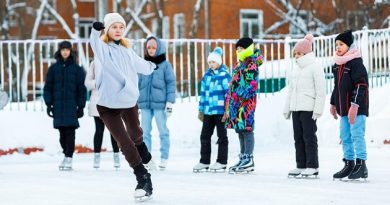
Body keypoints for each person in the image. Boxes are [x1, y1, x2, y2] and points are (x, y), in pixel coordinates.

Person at [89, 13, 157, 200]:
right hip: (107, 104)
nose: (118, 30)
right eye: (114, 27)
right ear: (107, 29)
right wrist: (95, 31)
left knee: (135, 133)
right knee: (124, 141)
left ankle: (143, 149)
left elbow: (142, 65)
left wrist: (153, 66)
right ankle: (143, 178)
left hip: (127, 100)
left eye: (121, 27)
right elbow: (94, 43)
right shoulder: (103, 48)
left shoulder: (128, 51)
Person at [283, 34, 326, 178]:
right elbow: (291, 90)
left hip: (308, 108)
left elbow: (321, 91)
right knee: (298, 137)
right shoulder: (296, 69)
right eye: (295, 54)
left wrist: (318, 109)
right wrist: (287, 108)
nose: (296, 56)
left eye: (299, 53)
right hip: (296, 109)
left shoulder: (315, 67)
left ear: (307, 53)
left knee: (309, 137)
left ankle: (312, 166)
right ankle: (301, 165)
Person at [330, 30, 369, 180]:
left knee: (357, 135)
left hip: (356, 108)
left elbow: (361, 85)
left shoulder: (356, 63)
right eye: (336, 45)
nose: (338, 47)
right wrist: (333, 103)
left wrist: (355, 105)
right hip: (344, 109)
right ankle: (349, 163)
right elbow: (336, 86)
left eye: (341, 44)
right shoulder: (337, 64)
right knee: (345, 136)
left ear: (349, 45)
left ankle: (361, 165)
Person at [43, 40, 87, 171]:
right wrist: (49, 104)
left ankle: (69, 157)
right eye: (63, 49)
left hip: (71, 107)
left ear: (71, 51)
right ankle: (65, 154)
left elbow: (81, 89)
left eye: (67, 49)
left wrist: (81, 106)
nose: (65, 52)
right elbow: (48, 88)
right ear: (60, 51)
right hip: (58, 107)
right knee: (62, 135)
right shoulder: (53, 69)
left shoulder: (77, 70)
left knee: (70, 132)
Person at [222, 37, 263, 174]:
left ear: (248, 49)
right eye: (237, 49)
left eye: (241, 49)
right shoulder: (239, 64)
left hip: (246, 104)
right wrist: (230, 101)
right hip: (236, 104)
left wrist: (239, 94)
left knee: (247, 129)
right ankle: (243, 156)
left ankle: (249, 158)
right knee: (239, 130)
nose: (238, 51)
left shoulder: (251, 64)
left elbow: (251, 85)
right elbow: (233, 84)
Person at [138, 36, 176, 170]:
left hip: (160, 105)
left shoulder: (165, 65)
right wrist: (136, 103)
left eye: (154, 47)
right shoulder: (143, 64)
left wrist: (170, 102)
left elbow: (171, 83)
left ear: (158, 48)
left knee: (163, 131)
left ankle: (164, 158)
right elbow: (138, 83)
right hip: (145, 105)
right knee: (145, 133)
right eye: (149, 47)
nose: (151, 50)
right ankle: (147, 159)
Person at [193, 47, 231, 173]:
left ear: (219, 62)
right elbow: (203, 94)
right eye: (209, 62)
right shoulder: (206, 76)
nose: (211, 64)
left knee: (221, 136)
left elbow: (228, 94)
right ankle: (204, 161)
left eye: (213, 62)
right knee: (204, 135)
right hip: (208, 112)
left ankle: (221, 161)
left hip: (220, 112)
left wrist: (227, 110)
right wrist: (201, 110)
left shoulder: (225, 76)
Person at [85, 60, 120, 169]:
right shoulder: (95, 63)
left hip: (112, 101)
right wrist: (97, 83)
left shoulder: (115, 61)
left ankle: (116, 156)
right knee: (99, 131)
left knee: (113, 131)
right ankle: (97, 156)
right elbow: (87, 82)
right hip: (97, 101)